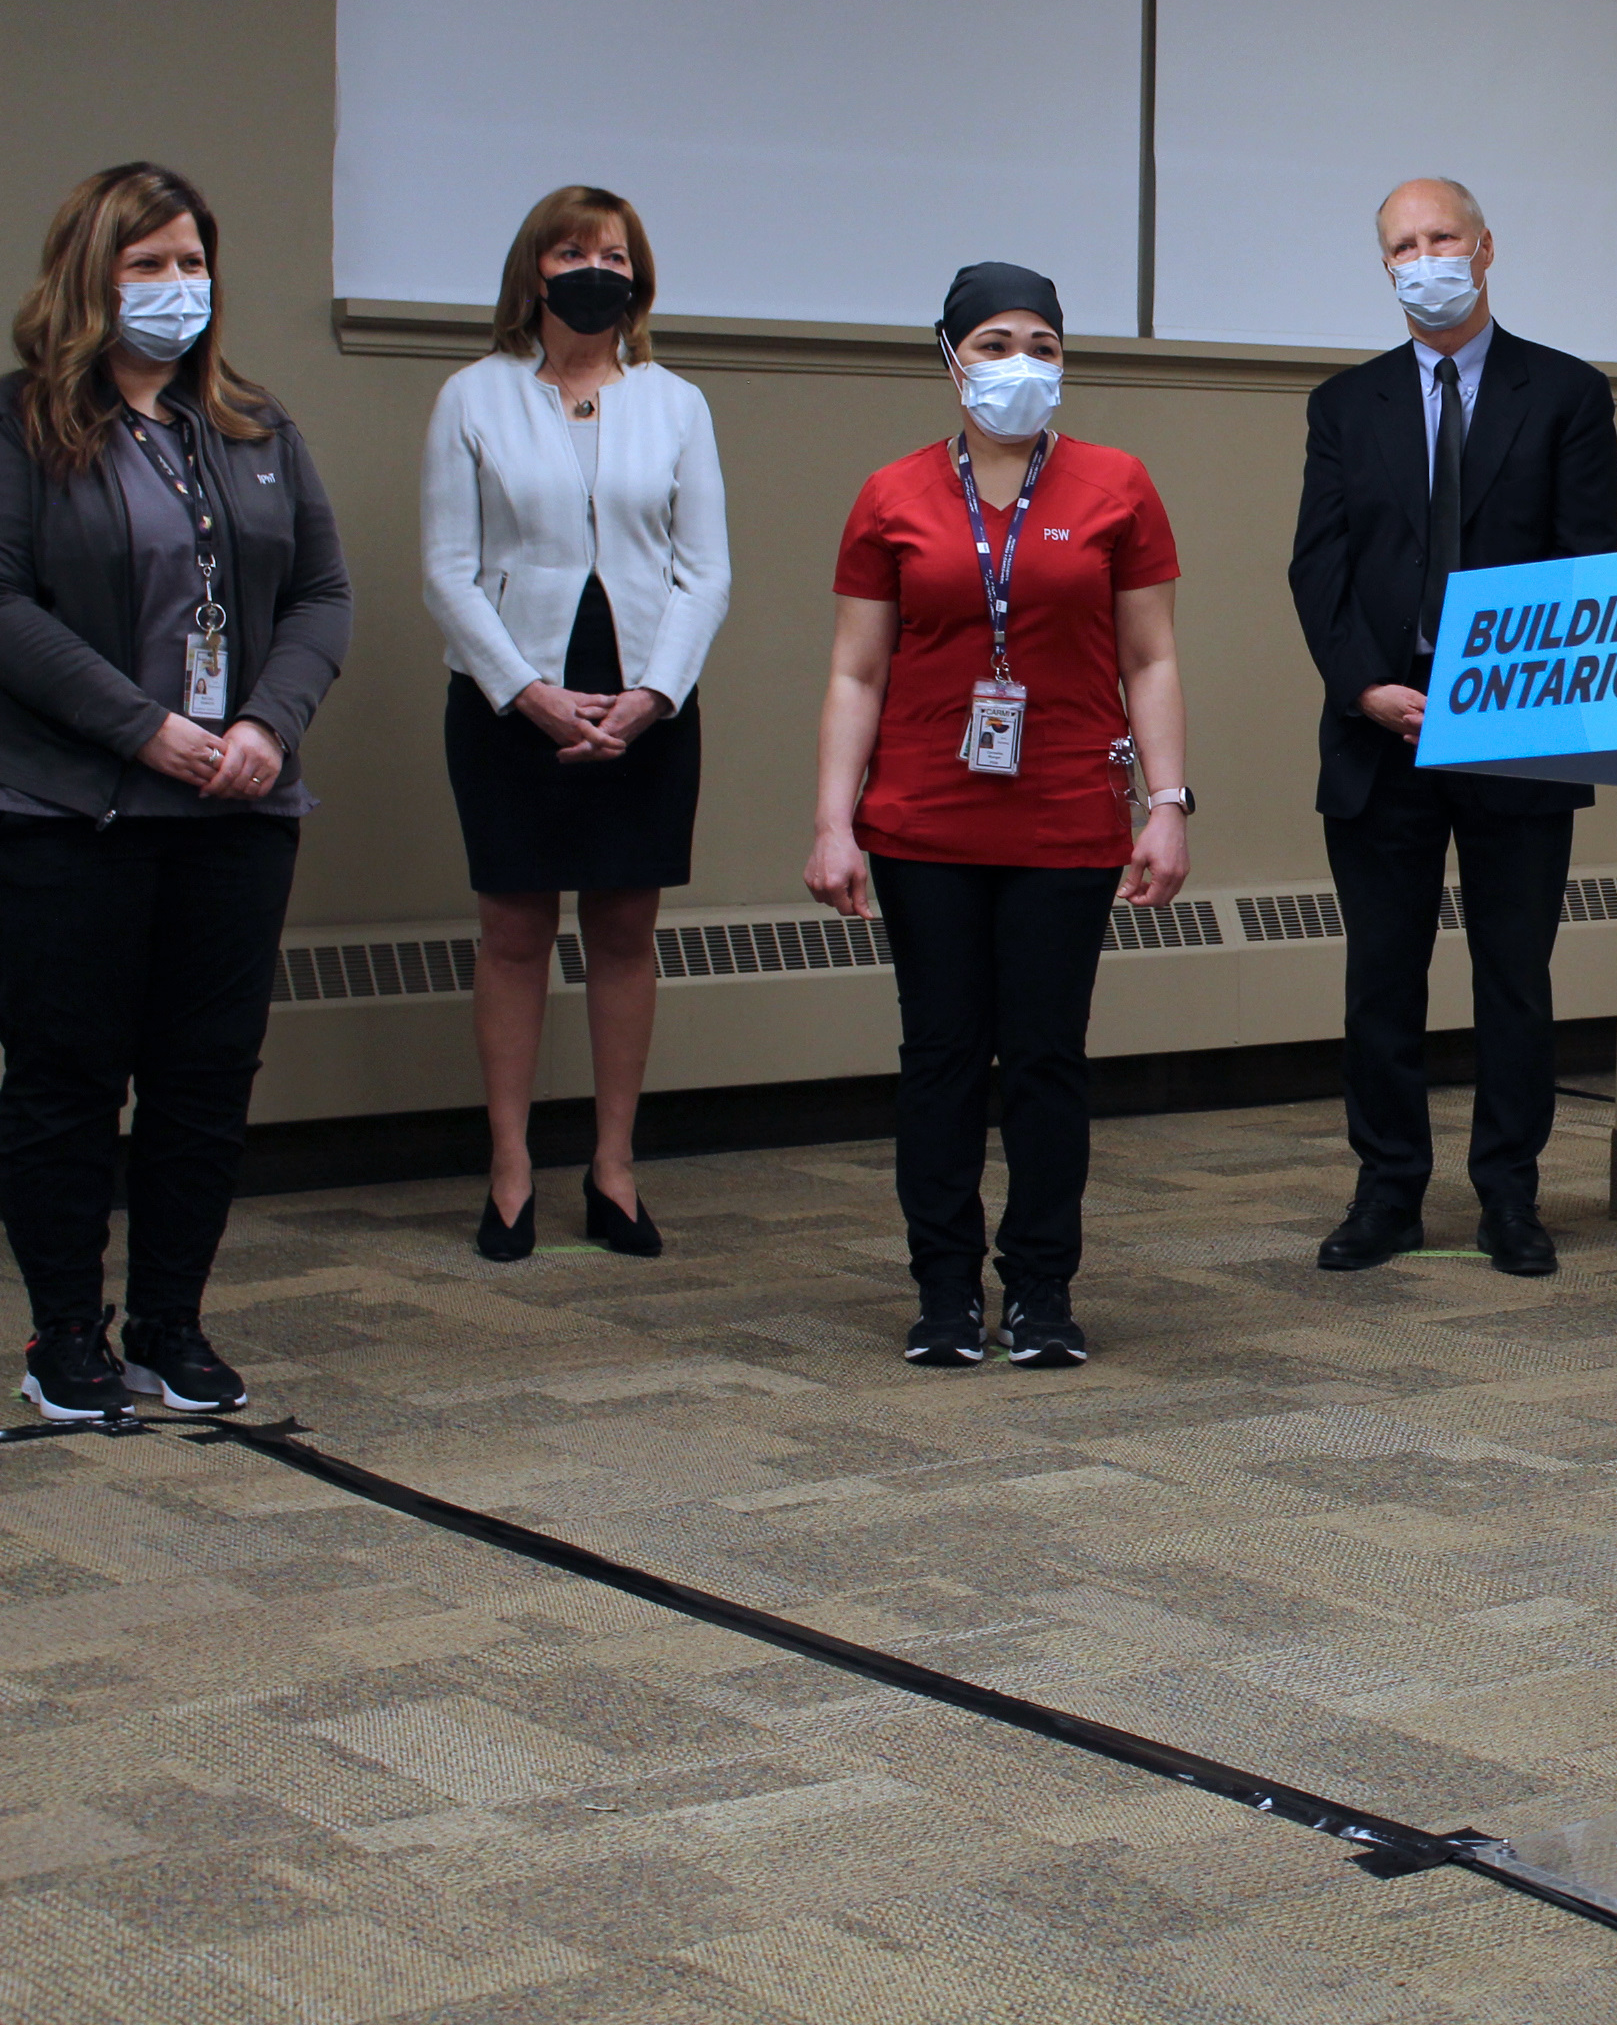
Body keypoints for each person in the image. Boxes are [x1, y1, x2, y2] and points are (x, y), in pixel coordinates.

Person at [0, 163, 353, 1419]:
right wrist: (144, 729)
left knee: (205, 1077)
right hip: (73, 818)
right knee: (67, 1079)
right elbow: (7, 610)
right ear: (90, 278)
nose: (175, 288)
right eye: (147, 265)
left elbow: (319, 595)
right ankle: (64, 1339)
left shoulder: (253, 429)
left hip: (238, 813)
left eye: (192, 263)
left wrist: (268, 723)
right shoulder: (24, 426)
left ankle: (169, 1326)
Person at [806, 264, 1189, 1369]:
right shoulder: (892, 496)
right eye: (992, 342)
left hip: (1068, 821)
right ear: (949, 357)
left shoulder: (1119, 486)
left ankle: (1041, 1290)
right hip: (922, 821)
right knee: (939, 1057)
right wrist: (834, 822)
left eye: (1042, 344)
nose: (1018, 363)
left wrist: (1166, 806)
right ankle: (940, 1289)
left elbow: (1151, 656)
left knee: (1046, 1060)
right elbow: (855, 674)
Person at [1287, 179, 1617, 1279]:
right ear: (1385, 266)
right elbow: (1318, 567)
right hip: (1382, 732)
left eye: (1439, 238)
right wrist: (1363, 690)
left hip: (1516, 728)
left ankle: (1509, 1199)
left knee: (1513, 977)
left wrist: (1494, 688)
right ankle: (1386, 1194)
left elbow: (1584, 567)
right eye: (1400, 245)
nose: (1421, 257)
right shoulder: (1346, 406)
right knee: (1382, 978)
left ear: (1484, 249)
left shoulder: (1566, 393)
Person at [422, 186, 731, 1262]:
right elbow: (448, 573)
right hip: (513, 695)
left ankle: (613, 1164)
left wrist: (654, 695)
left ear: (637, 276)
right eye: (571, 248)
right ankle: (510, 1168)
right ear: (533, 270)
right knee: (512, 932)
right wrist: (530, 695)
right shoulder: (473, 396)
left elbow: (706, 571)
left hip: (646, 696)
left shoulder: (676, 403)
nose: (594, 265)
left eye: (613, 251)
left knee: (623, 932)